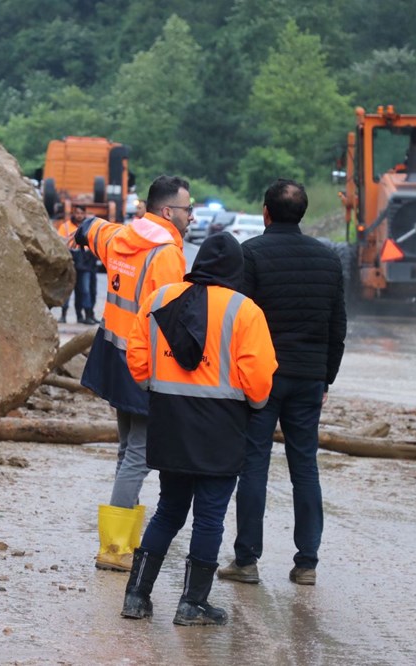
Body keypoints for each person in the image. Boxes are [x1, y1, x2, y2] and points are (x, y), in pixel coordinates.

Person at [121, 232, 276, 625]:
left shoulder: (158, 300)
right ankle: (192, 605)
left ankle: (136, 597)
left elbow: (137, 359)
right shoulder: (246, 311)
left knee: (169, 510)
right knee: (209, 517)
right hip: (221, 428)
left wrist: (155, 387)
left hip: (170, 420)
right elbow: (258, 381)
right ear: (236, 269)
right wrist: (253, 404)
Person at [217, 178, 347, 587]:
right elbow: (338, 326)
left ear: (265, 212)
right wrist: (326, 377)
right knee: (304, 467)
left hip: (262, 378)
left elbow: (238, 318)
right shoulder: (328, 259)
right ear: (302, 213)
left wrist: (235, 373)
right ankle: (306, 562)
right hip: (309, 378)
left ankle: (246, 560)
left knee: (253, 464)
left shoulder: (251, 254)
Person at [74, 175, 191, 571]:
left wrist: (82, 228)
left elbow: (96, 232)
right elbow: (172, 318)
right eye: (187, 209)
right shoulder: (167, 255)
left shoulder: (123, 237)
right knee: (139, 454)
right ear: (168, 211)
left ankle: (121, 541)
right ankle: (116, 548)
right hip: (144, 363)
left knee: (128, 450)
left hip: (114, 355)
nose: (191, 216)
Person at [57, 206, 99, 324]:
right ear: (73, 213)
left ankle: (86, 315)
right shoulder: (65, 226)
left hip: (85, 263)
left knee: (85, 290)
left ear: (84, 214)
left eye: (81, 213)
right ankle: (63, 315)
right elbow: (60, 242)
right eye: (77, 213)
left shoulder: (89, 227)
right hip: (70, 261)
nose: (79, 215)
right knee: (68, 290)